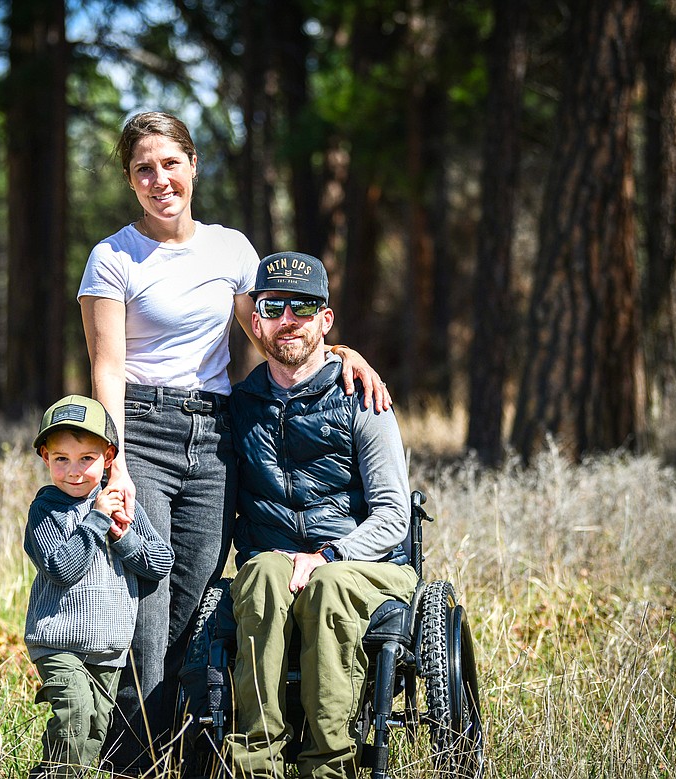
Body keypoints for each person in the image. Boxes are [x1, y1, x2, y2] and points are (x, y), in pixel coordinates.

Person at [78, 110, 392, 772]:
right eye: (143, 169)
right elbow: (106, 366)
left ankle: (194, 757)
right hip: (145, 429)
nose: (159, 179)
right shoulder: (113, 256)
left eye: (170, 163)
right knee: (148, 604)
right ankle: (130, 762)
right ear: (131, 181)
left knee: (195, 608)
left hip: (217, 435)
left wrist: (342, 351)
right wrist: (118, 465)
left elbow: (277, 331)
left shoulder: (232, 249)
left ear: (193, 165)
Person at [224, 251, 419, 779]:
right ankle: (254, 766)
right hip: (275, 562)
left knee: (328, 584)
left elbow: (393, 515)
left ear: (325, 319)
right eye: (274, 306)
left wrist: (328, 554)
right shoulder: (238, 406)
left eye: (303, 307)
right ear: (256, 319)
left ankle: (327, 765)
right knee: (262, 573)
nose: (288, 319)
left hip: (363, 566)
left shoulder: (363, 399)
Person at [23, 395, 175, 779]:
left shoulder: (119, 503)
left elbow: (160, 564)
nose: (74, 471)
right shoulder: (46, 509)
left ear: (108, 457)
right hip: (59, 641)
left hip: (109, 649)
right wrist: (95, 521)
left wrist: (124, 537)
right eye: (61, 459)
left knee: (91, 737)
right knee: (73, 716)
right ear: (45, 457)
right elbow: (61, 568)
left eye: (86, 458)